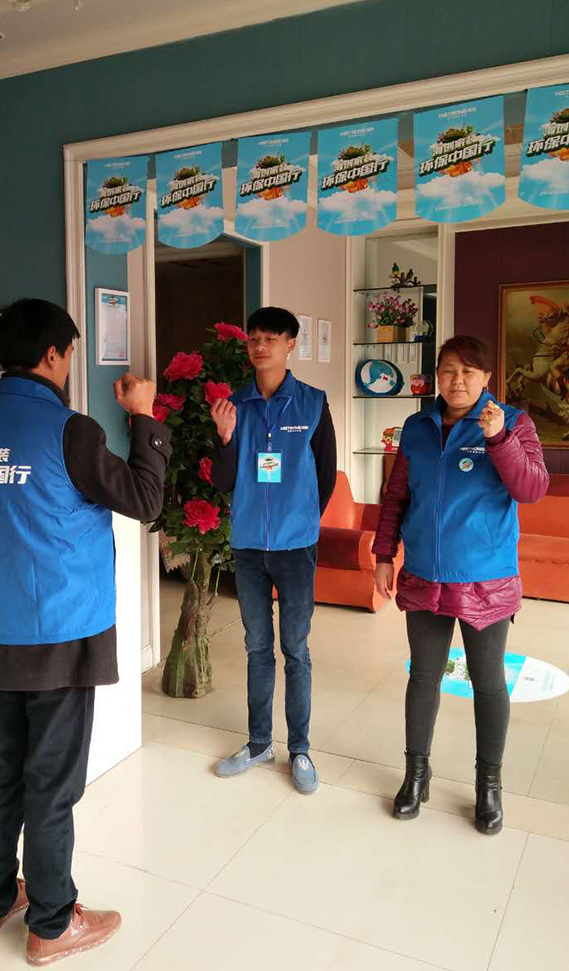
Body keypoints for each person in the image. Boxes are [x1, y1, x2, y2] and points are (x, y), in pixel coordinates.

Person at [0, 298, 170, 965]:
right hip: (62, 633)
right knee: (50, 781)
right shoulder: (71, 431)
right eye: (70, 354)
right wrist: (144, 417)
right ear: (53, 355)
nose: (69, 365)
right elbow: (145, 500)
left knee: (0, 768)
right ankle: (50, 921)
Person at [372, 335, 548, 834]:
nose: (457, 381)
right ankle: (416, 774)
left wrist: (499, 439)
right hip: (424, 575)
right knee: (423, 678)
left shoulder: (513, 422)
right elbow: (396, 496)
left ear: (487, 378)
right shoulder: (418, 427)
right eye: (449, 371)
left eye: (469, 372)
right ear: (437, 376)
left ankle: (488, 786)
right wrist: (383, 555)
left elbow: (532, 488)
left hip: (485, 581)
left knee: (488, 683)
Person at [209, 307, 336, 793]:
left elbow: (325, 473)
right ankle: (260, 743)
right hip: (247, 546)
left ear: (291, 345)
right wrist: (225, 437)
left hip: (295, 546)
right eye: (254, 339)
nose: (260, 347)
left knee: (295, 650)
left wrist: (300, 518)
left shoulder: (312, 403)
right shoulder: (234, 406)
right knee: (257, 648)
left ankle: (299, 748)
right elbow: (224, 482)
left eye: (271, 339)